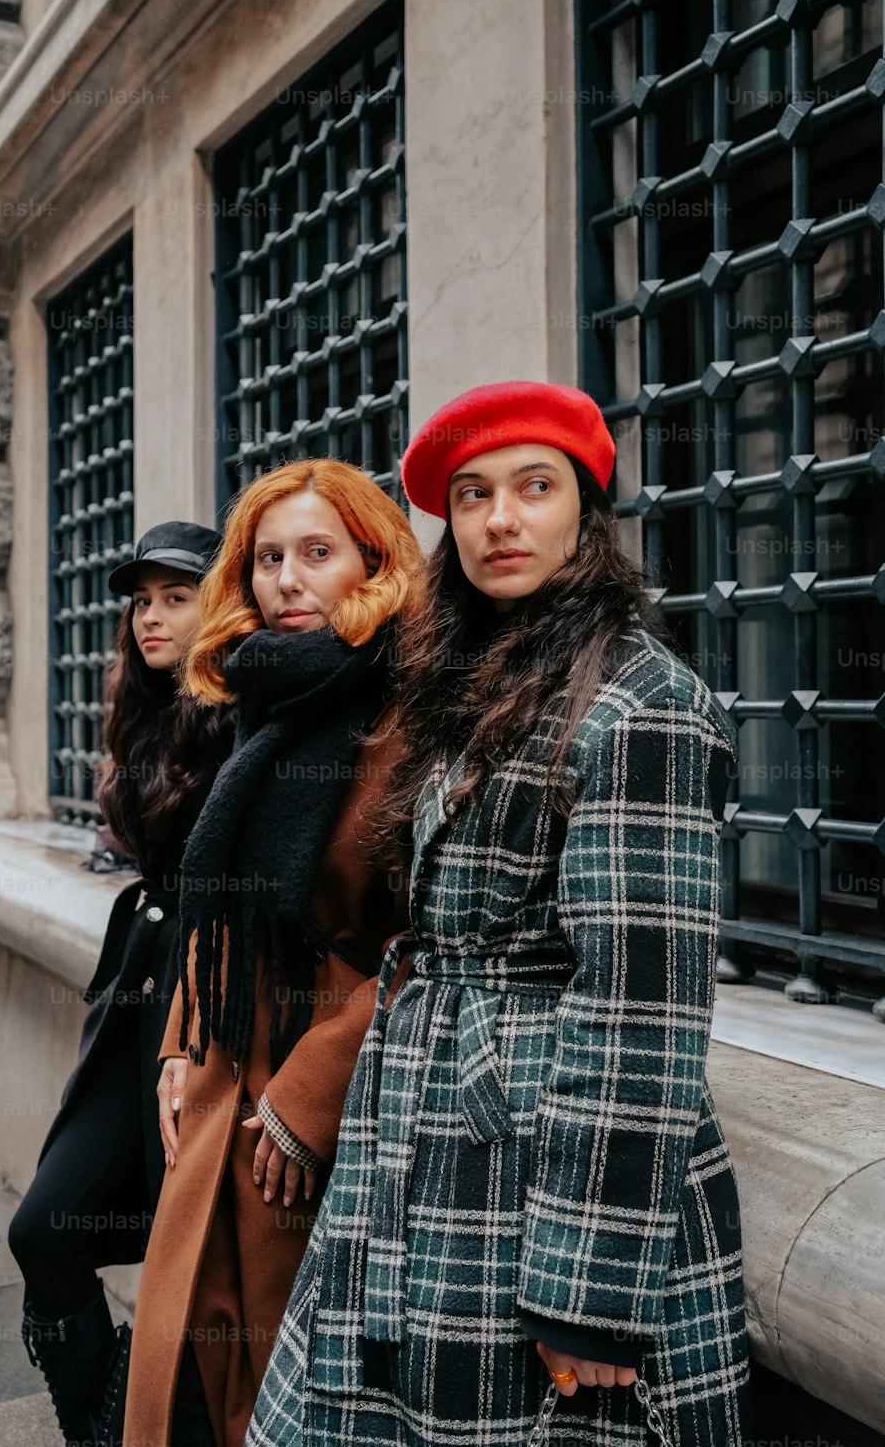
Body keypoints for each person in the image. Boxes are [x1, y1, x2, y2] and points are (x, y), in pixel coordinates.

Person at [246, 382, 754, 1447]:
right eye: (471, 495)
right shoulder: (471, 675)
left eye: (534, 486)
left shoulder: (643, 702)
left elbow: (639, 1012)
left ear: (585, 509)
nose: (499, 518)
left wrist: (587, 1289)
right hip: (417, 1140)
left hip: (534, 1169)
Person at [122, 460, 423, 1447]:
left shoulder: (414, 715)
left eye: (317, 554)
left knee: (287, 1385)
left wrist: (310, 1096)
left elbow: (443, 942)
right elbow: (217, 902)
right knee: (195, 1368)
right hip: (223, 1062)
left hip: (320, 1091)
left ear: (374, 565)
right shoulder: (264, 700)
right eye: (267, 559)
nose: (287, 579)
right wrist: (179, 1040)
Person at [10, 521, 230, 1447]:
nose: (151, 617)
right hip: (141, 985)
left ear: (219, 604)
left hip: (212, 993)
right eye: (142, 600)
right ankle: (103, 1427)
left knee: (191, 1261)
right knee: (46, 1230)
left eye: (176, 596)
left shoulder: (247, 713)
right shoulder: (143, 710)